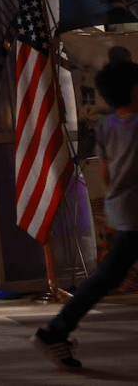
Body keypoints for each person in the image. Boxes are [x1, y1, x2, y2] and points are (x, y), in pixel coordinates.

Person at [32, 58, 138, 371]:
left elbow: (107, 174)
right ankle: (56, 330)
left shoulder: (107, 125)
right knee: (107, 276)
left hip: (123, 208)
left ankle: (57, 330)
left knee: (110, 275)